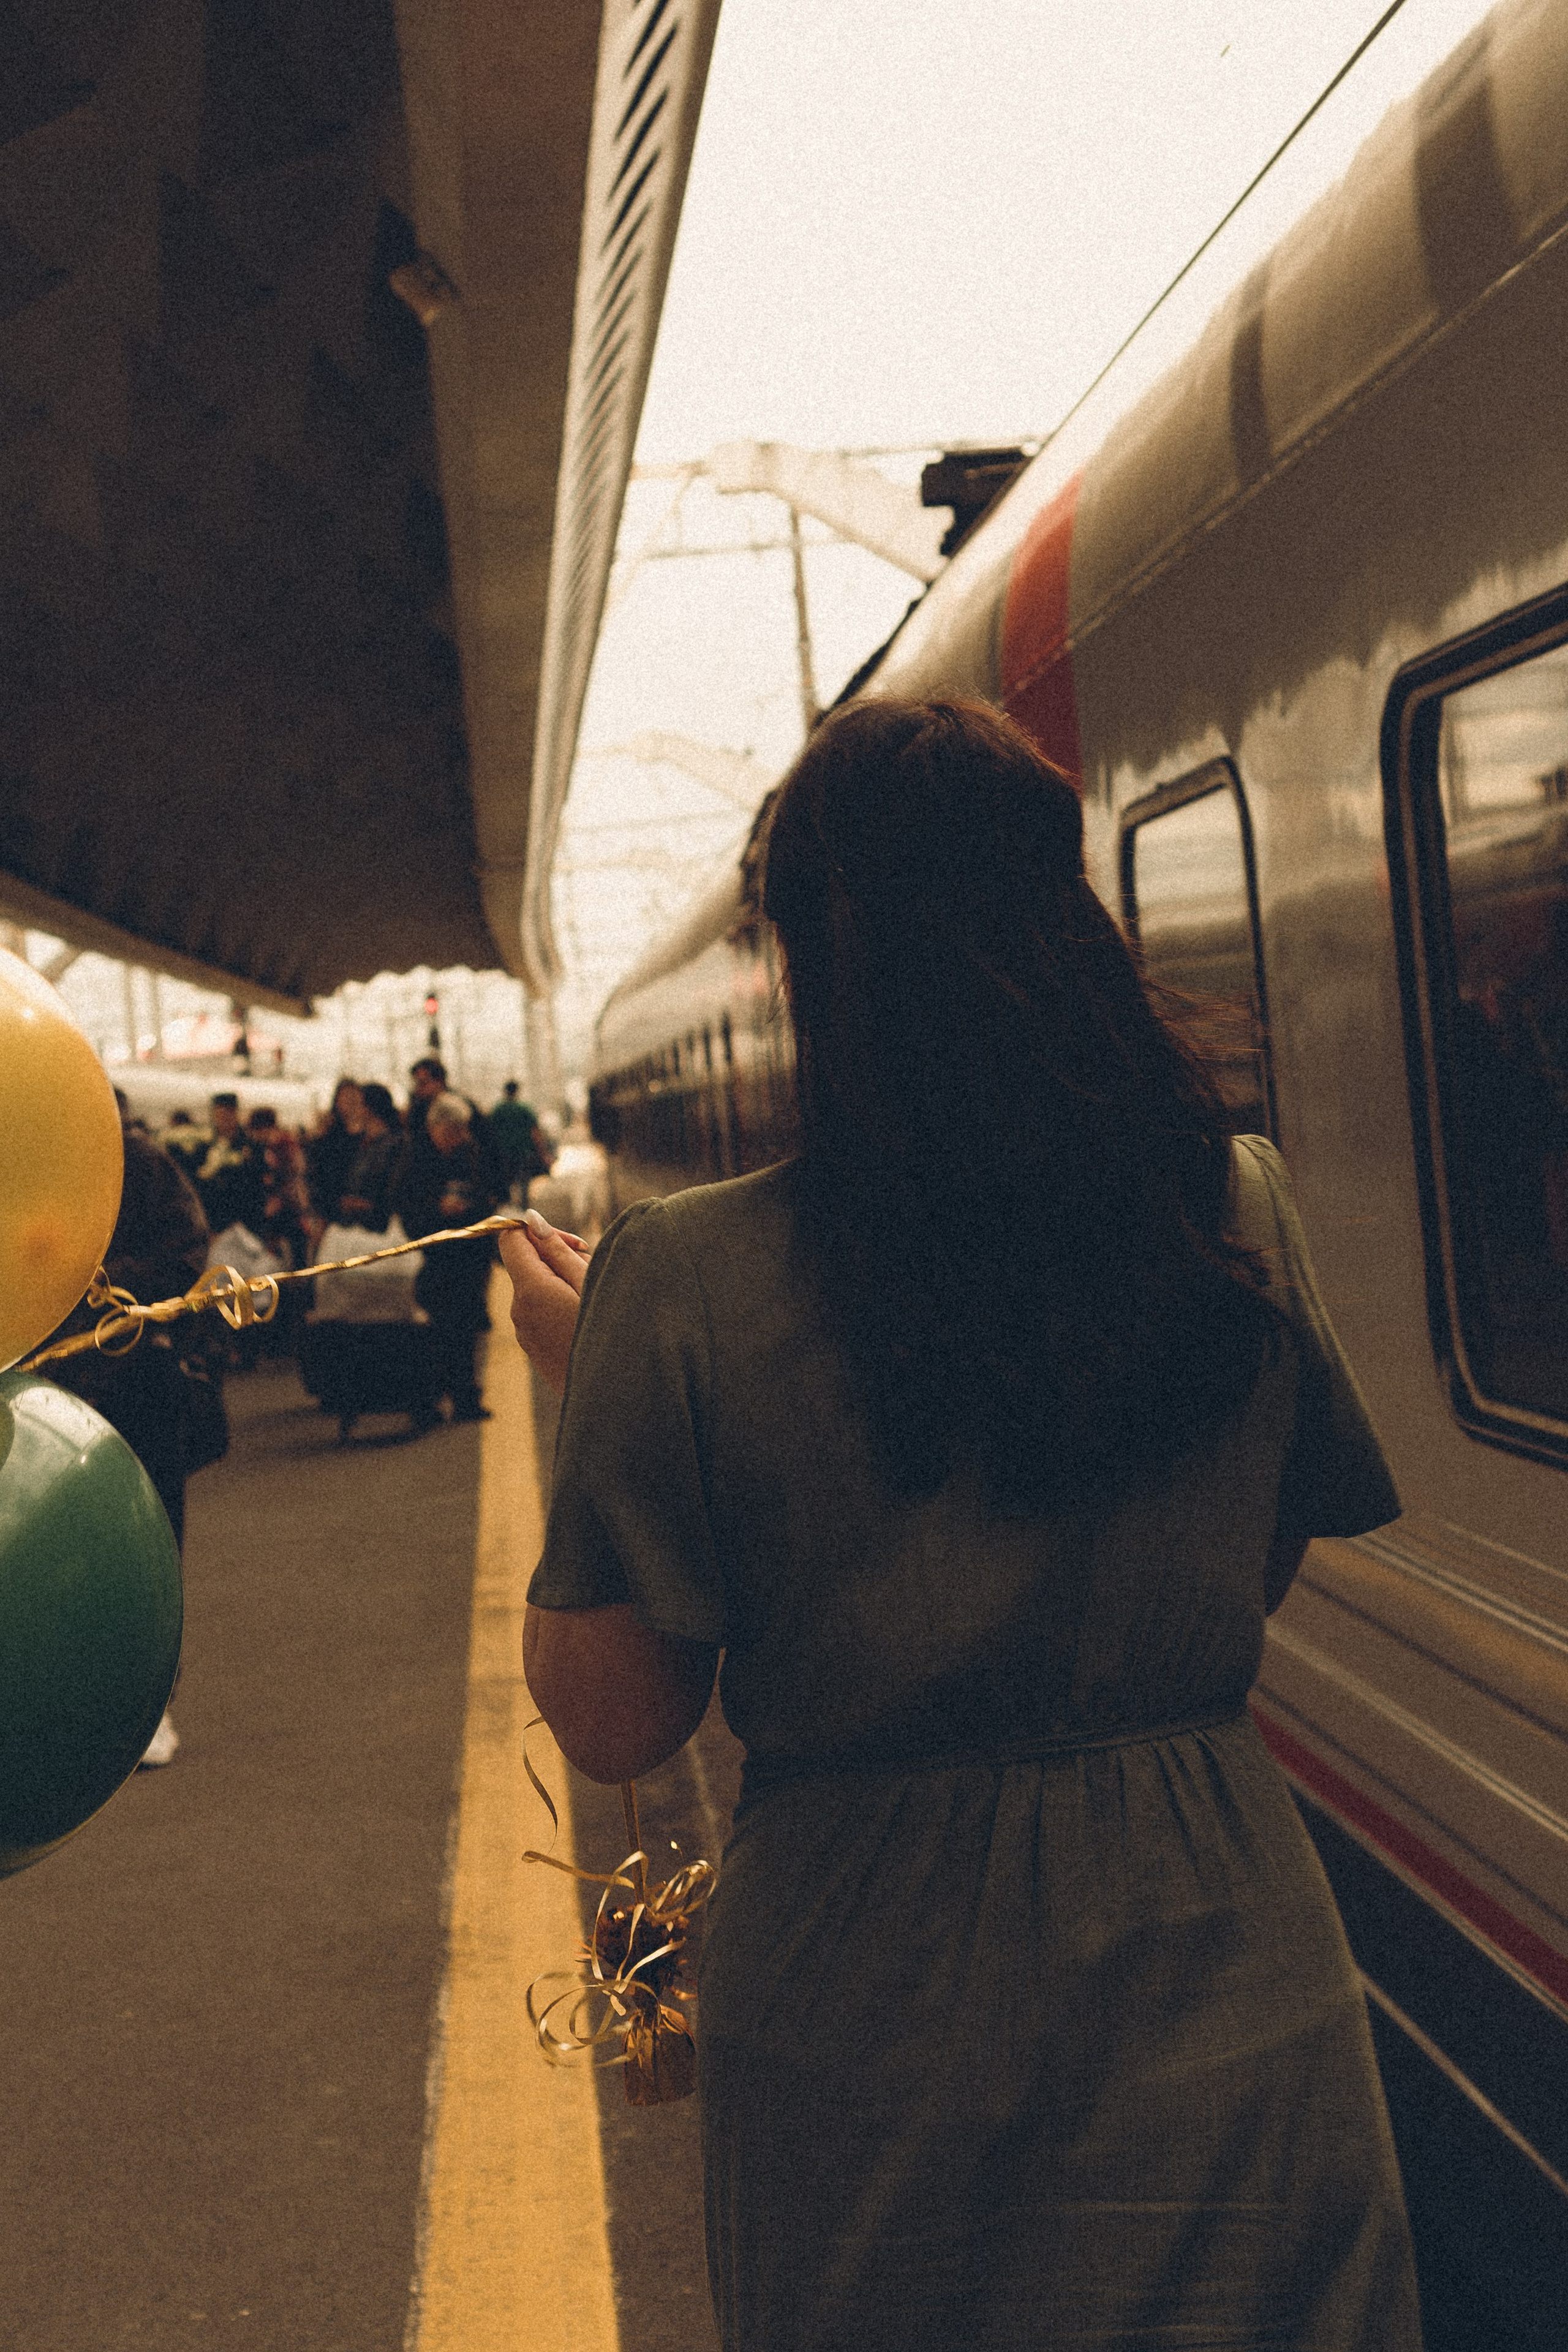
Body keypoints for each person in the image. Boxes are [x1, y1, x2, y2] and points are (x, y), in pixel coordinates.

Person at [500, 699, 1422, 2352]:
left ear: (800, 965)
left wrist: (599, 1388)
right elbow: (1257, 1559)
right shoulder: (1234, 1207)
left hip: (871, 2006)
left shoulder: (681, 1286)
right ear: (1064, 916)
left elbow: (620, 1711)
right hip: (1228, 1949)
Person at [49, 1110, 213, 1770]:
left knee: (147, 1547)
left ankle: (151, 1706)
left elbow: (186, 1250)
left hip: (133, 1384)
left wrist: (95, 1285)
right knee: (58, 1554)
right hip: (43, 1392)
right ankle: (71, 1703)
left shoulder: (130, 1158)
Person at [394, 1091, 502, 1422]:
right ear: (434, 1127)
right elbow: (405, 1207)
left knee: (464, 1331)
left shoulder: (470, 1154)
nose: (457, 1137)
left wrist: (474, 1207)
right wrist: (437, 1209)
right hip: (432, 1258)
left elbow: (489, 1194)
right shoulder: (415, 1159)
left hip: (467, 1256)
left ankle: (465, 1400)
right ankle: (426, 1405)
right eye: (451, 1131)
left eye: (461, 1130)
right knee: (432, 1334)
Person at [337, 1082, 407, 1232]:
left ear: (369, 1109)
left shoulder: (394, 1145)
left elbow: (393, 1192)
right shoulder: (361, 1143)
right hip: (356, 1227)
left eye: (357, 1104)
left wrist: (361, 1204)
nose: (352, 1109)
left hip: (378, 1229)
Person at [304, 1079, 366, 1247]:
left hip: (361, 1215)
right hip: (332, 1214)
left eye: (354, 1097)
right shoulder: (329, 1139)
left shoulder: (371, 1138)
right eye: (346, 1097)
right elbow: (320, 1177)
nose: (351, 1102)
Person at [196, 1091, 266, 1237]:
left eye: (227, 1115)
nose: (223, 1120)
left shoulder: (252, 1147)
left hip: (246, 1220)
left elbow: (260, 1182)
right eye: (219, 1115)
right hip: (214, 1221)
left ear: (235, 1115)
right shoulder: (204, 1147)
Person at [488, 1079, 554, 1198]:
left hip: (504, 1151)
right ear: (517, 1091)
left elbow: (490, 1132)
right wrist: (543, 1153)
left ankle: (509, 1205)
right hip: (523, 1150)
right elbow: (535, 1132)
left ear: (505, 1091)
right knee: (524, 1181)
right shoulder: (524, 1109)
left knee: (507, 1180)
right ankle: (523, 1206)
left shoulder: (498, 1110)